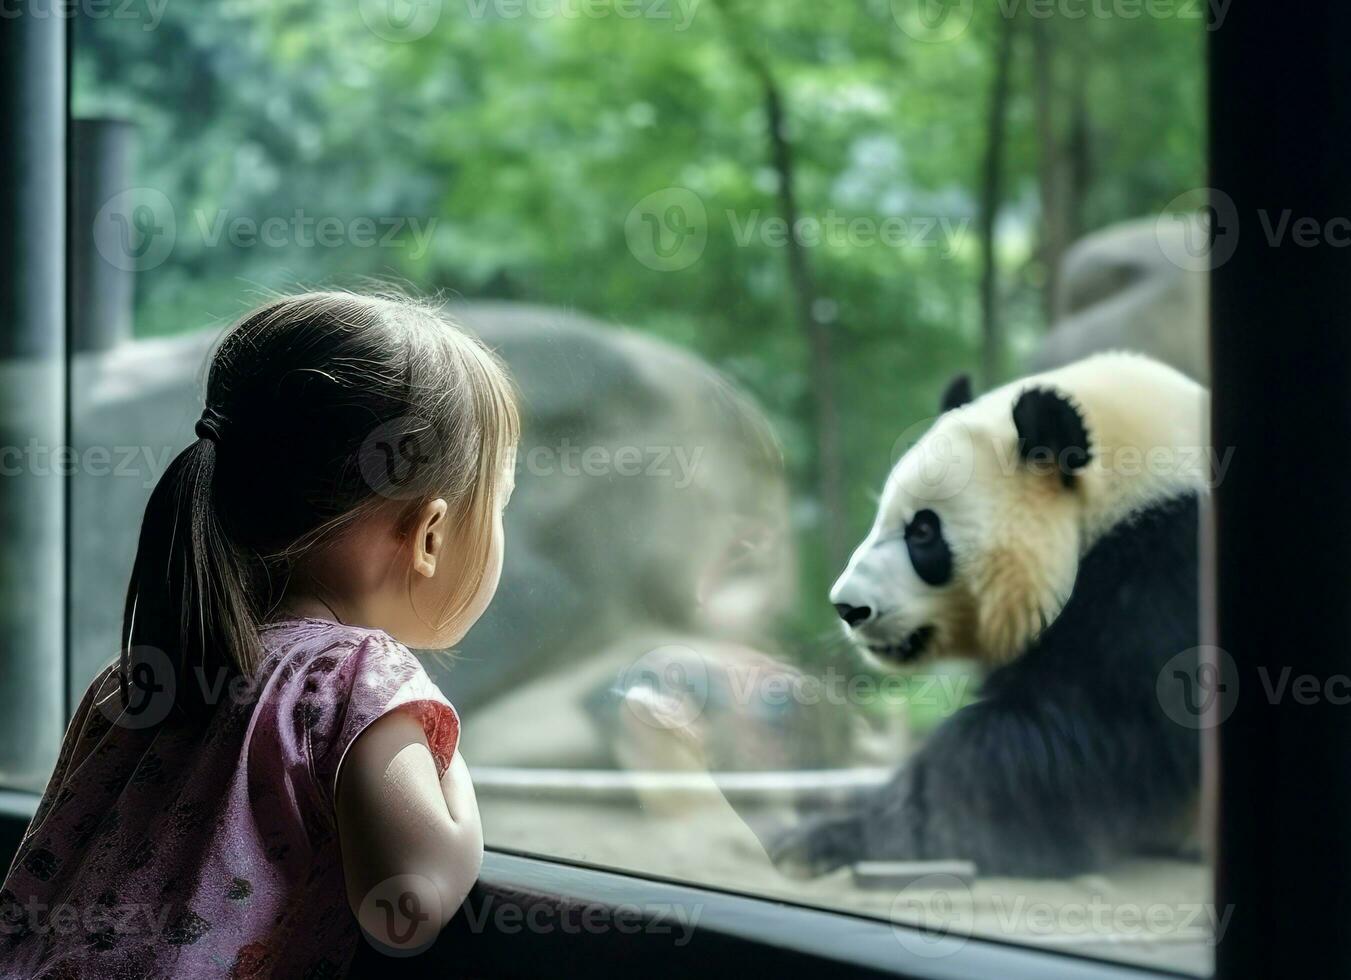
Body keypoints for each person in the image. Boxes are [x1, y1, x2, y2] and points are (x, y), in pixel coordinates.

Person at [0, 290, 518, 978]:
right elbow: (406, 907)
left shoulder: (135, 678)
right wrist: (448, 776)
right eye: (501, 507)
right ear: (428, 534)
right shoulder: (354, 678)